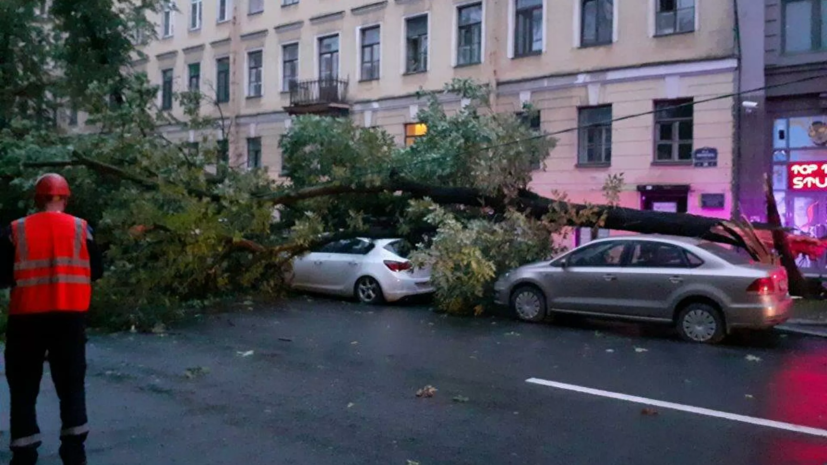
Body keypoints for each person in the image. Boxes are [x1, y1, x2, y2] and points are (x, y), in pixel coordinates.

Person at [0, 173, 103, 465]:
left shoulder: (15, 230)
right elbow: (96, 270)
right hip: (69, 317)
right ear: (66, 198)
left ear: (37, 199)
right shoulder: (82, 229)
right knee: (71, 383)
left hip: (26, 318)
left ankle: (24, 449)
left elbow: (2, 275)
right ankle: (74, 449)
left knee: (23, 386)